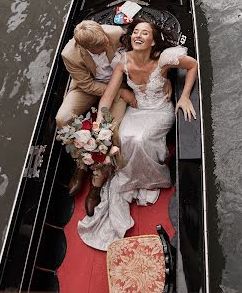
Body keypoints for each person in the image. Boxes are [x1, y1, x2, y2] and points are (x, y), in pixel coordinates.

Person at [78, 18, 198, 250]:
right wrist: (100, 121)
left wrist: (183, 96)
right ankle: (133, 179)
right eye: (135, 33)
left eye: (145, 33)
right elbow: (108, 96)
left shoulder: (163, 59)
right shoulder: (123, 62)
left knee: (141, 139)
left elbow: (192, 64)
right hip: (138, 109)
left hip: (160, 110)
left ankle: (153, 178)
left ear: (153, 41)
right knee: (125, 137)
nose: (138, 36)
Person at [56, 20, 135, 215]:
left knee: (109, 130)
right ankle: (81, 165)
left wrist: (118, 90)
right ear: (85, 47)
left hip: (117, 87)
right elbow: (88, 85)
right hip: (90, 87)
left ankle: (97, 183)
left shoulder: (115, 34)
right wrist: (110, 91)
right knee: (62, 118)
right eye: (100, 47)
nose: (106, 46)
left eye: (105, 41)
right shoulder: (69, 54)